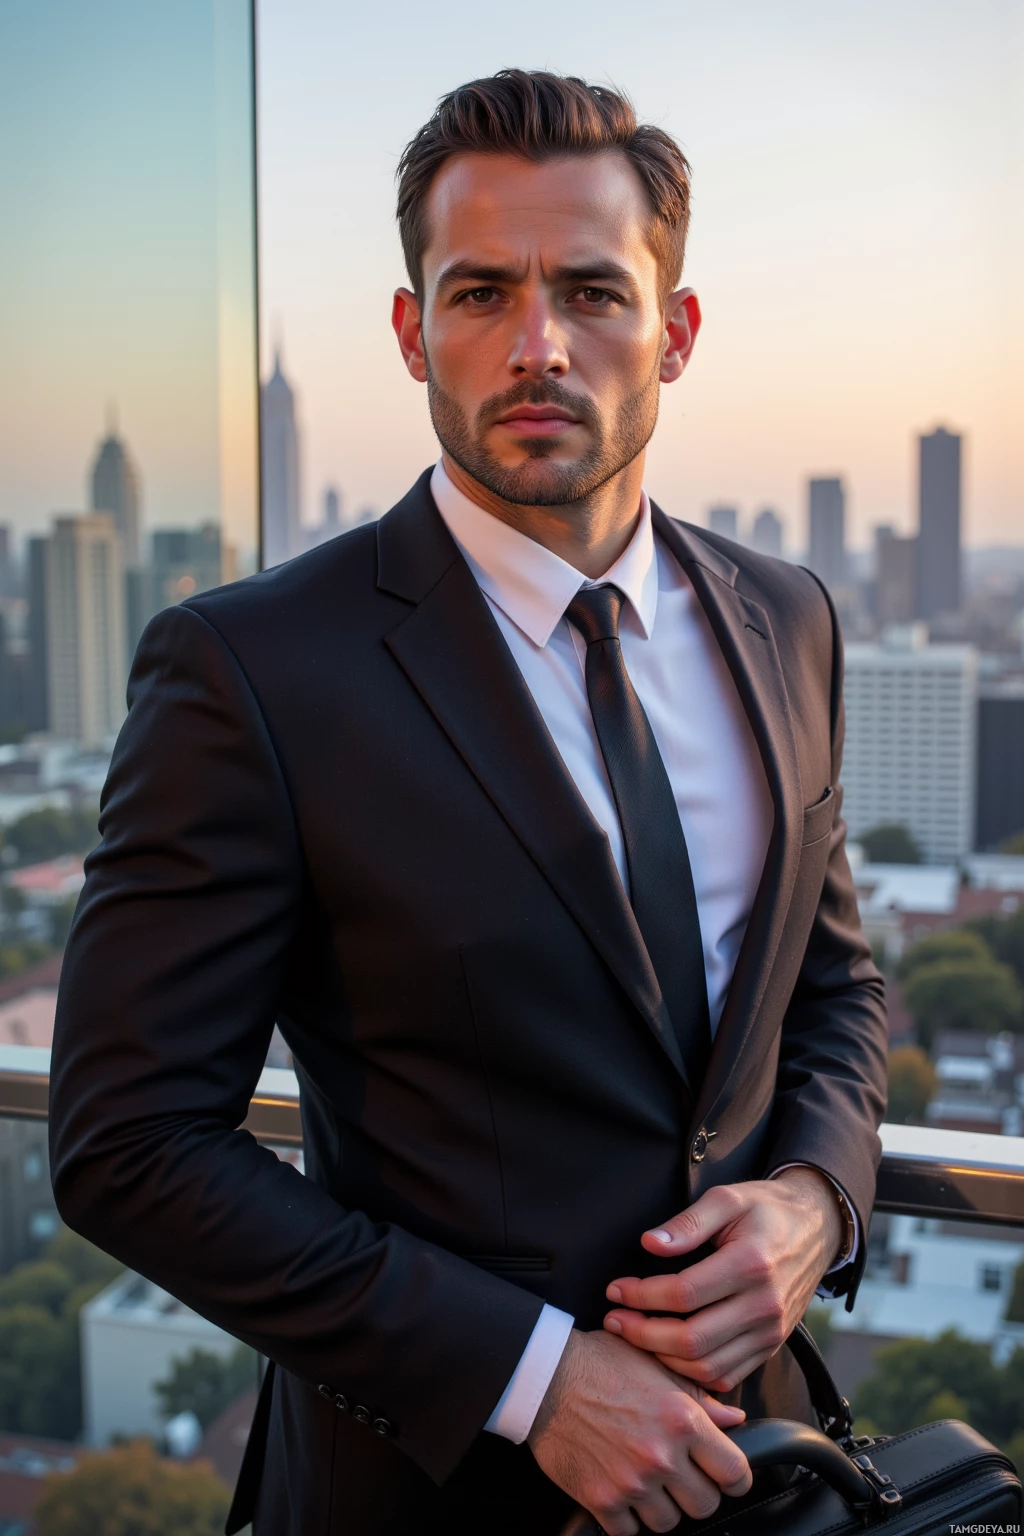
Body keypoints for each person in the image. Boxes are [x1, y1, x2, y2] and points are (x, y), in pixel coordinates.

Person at [48, 70, 887, 1536]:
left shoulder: (789, 617)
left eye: (592, 291)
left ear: (675, 332)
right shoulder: (253, 669)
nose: (537, 346)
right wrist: (537, 1377)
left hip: (763, 1467)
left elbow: (832, 986)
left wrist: (820, 1202)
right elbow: (127, 1142)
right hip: (426, 1492)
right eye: (481, 292)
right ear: (410, 329)